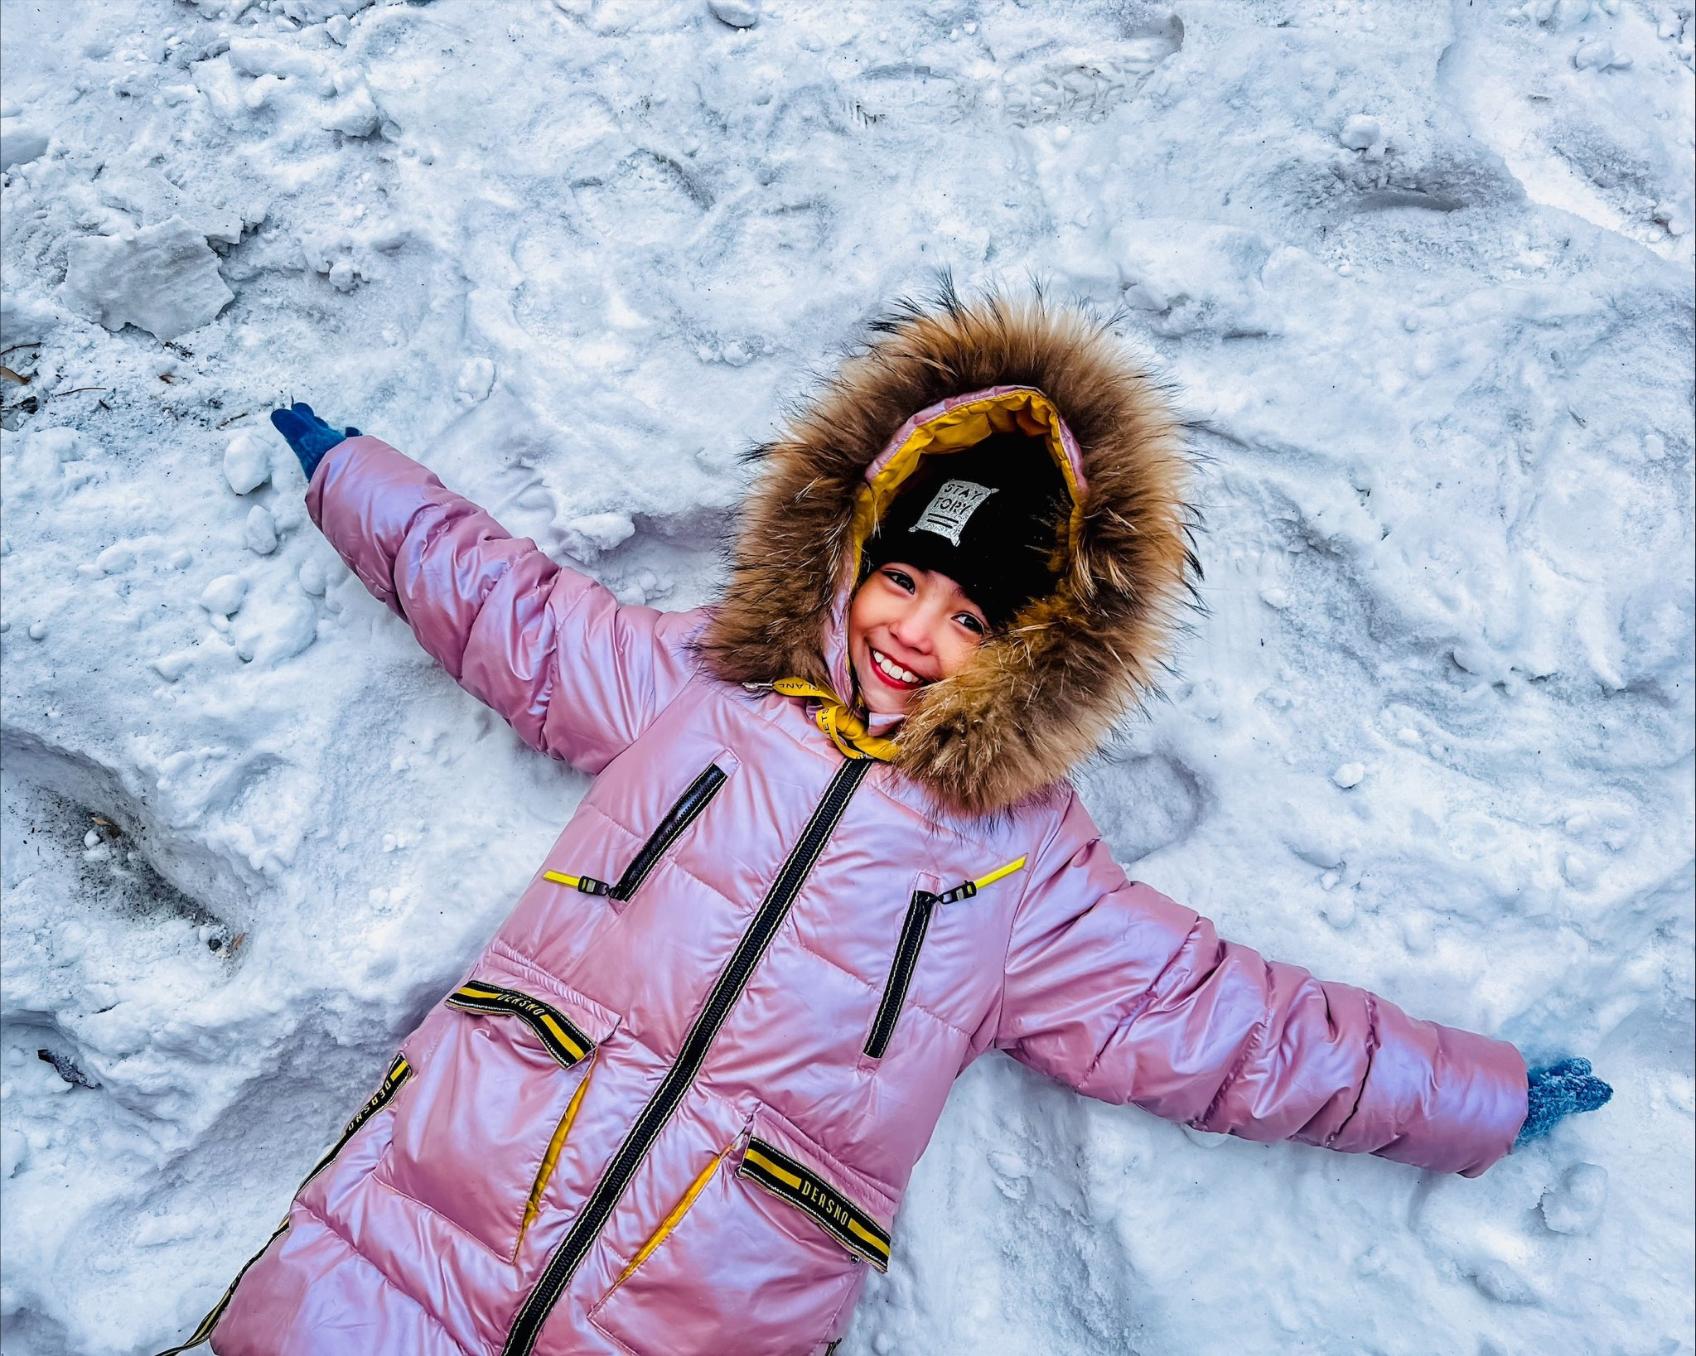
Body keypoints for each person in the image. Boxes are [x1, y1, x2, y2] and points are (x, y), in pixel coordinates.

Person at [159, 286, 1610, 1356]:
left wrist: (1475, 1095)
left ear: (1041, 646)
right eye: (903, 578)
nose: (917, 629)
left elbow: (1238, 1032)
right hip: (429, 1212)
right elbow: (515, 620)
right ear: (852, 553)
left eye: (975, 615)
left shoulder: (1024, 872)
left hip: (698, 1297)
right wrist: (360, 482)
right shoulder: (699, 690)